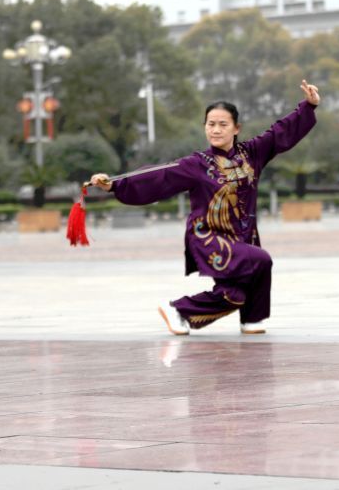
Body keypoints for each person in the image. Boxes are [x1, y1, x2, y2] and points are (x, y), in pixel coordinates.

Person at [90, 80, 320, 335]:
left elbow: (280, 133)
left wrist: (308, 107)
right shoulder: (196, 164)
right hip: (208, 236)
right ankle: (181, 310)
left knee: (234, 294)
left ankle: (245, 318)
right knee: (261, 260)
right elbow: (158, 177)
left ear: (236, 128)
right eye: (211, 124)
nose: (216, 130)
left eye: (223, 124)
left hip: (243, 237)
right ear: (205, 127)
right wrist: (113, 185)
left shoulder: (253, 152)